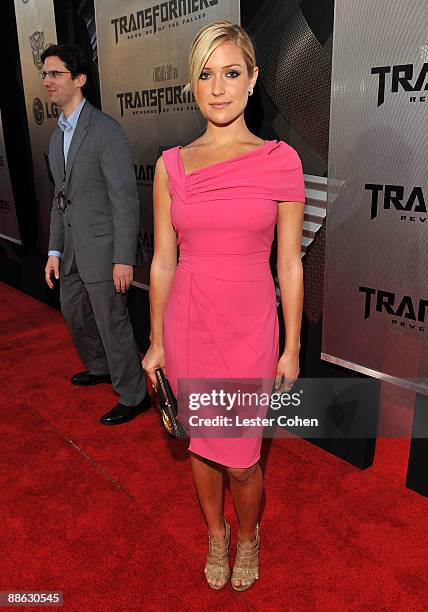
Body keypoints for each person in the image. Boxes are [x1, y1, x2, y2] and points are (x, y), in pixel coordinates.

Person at [143, 22, 305, 591]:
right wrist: (158, 341)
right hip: (189, 321)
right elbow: (162, 262)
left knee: (241, 458)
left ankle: (249, 532)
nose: (219, 88)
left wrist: (292, 346)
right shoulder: (171, 165)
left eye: (231, 73)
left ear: (254, 79)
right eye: (206, 75)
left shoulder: (281, 161)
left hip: (251, 326)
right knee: (202, 447)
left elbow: (289, 264)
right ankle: (216, 534)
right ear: (193, 85)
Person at [42, 44, 148, 425]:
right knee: (75, 314)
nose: (47, 81)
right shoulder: (57, 138)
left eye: (55, 74)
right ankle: (101, 367)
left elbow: (125, 199)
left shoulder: (106, 132)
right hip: (70, 249)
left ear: (79, 80)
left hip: (103, 250)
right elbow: (59, 198)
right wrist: (53, 250)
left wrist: (123, 257)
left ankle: (134, 394)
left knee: (110, 321)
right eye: (45, 74)